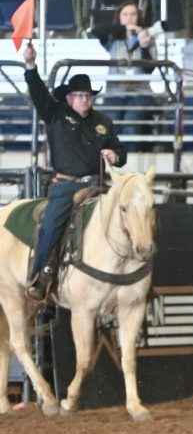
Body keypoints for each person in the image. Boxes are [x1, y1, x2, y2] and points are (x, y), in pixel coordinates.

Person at [21, 42, 128, 302]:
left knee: (129, 214)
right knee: (51, 225)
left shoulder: (103, 122)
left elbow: (121, 152)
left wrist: (115, 155)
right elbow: (38, 93)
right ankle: (41, 275)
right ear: (68, 98)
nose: (85, 99)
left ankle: (130, 274)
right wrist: (30, 65)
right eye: (79, 95)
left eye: (88, 95)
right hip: (66, 187)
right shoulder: (55, 114)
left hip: (98, 184)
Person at [90, 0, 157, 139]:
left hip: (141, 94)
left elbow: (149, 70)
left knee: (130, 122)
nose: (129, 18)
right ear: (119, 18)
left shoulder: (148, 39)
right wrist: (122, 28)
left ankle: (131, 152)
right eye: (125, 14)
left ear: (138, 17)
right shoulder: (112, 40)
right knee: (111, 123)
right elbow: (96, 31)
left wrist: (144, 46)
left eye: (133, 14)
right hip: (115, 94)